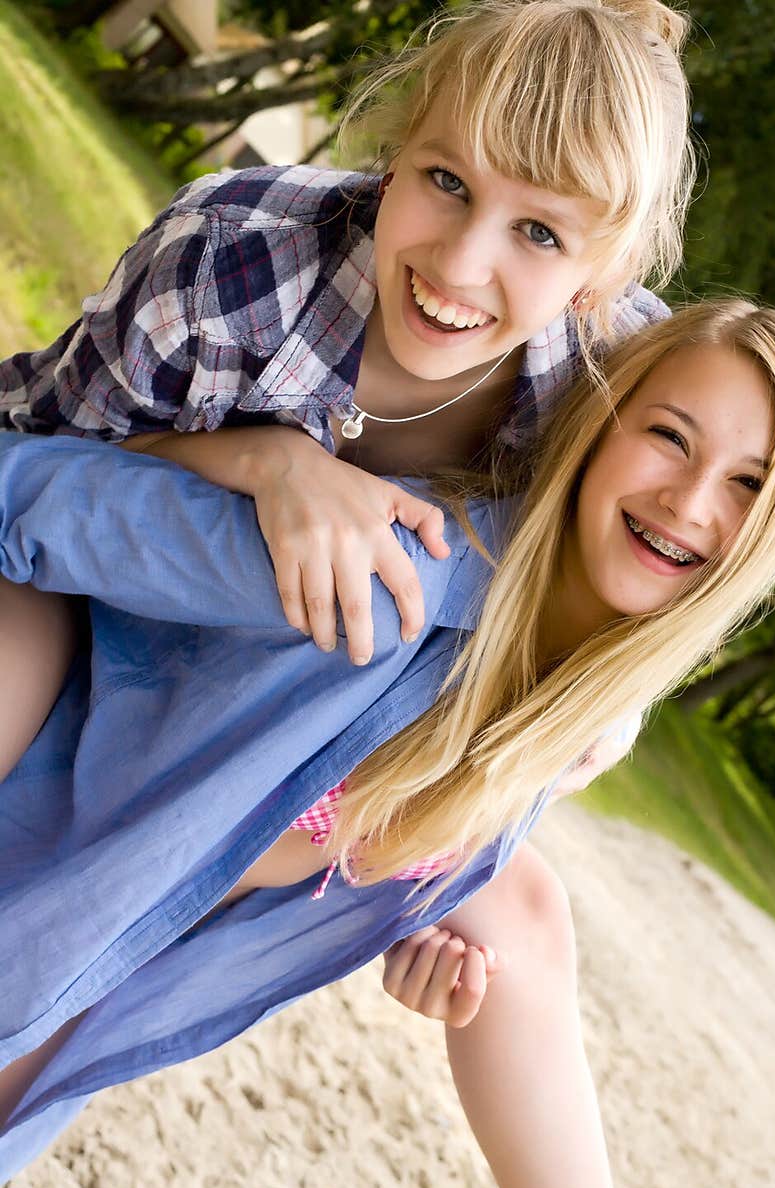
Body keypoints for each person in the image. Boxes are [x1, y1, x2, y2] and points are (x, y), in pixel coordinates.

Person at [0, 300, 775, 1188]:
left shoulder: (550, 721)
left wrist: (389, 906)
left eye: (748, 485)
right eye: (668, 436)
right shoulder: (381, 569)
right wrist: (259, 464)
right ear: (598, 426)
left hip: (91, 965)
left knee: (521, 914)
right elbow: (44, 496)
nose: (691, 501)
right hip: (48, 821)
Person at [0, 0, 695, 1042]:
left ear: (607, 276)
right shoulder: (233, 259)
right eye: (445, 181)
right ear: (394, 149)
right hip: (82, 591)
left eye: (540, 231)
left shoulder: (611, 395)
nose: (460, 265)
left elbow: (629, 596)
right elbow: (36, 459)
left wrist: (601, 725)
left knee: (522, 915)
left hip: (262, 712)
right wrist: (261, 458)